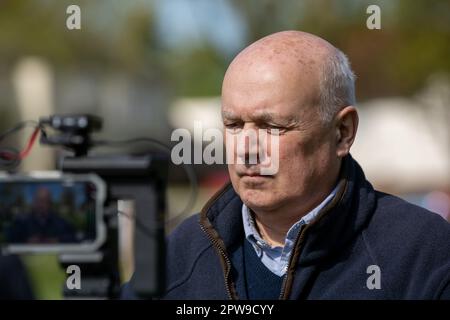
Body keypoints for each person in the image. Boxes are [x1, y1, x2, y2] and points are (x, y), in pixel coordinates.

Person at [124, 30, 450, 299]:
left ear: (342, 132)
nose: (246, 150)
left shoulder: (423, 252)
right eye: (234, 125)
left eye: (273, 126)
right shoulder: (183, 252)